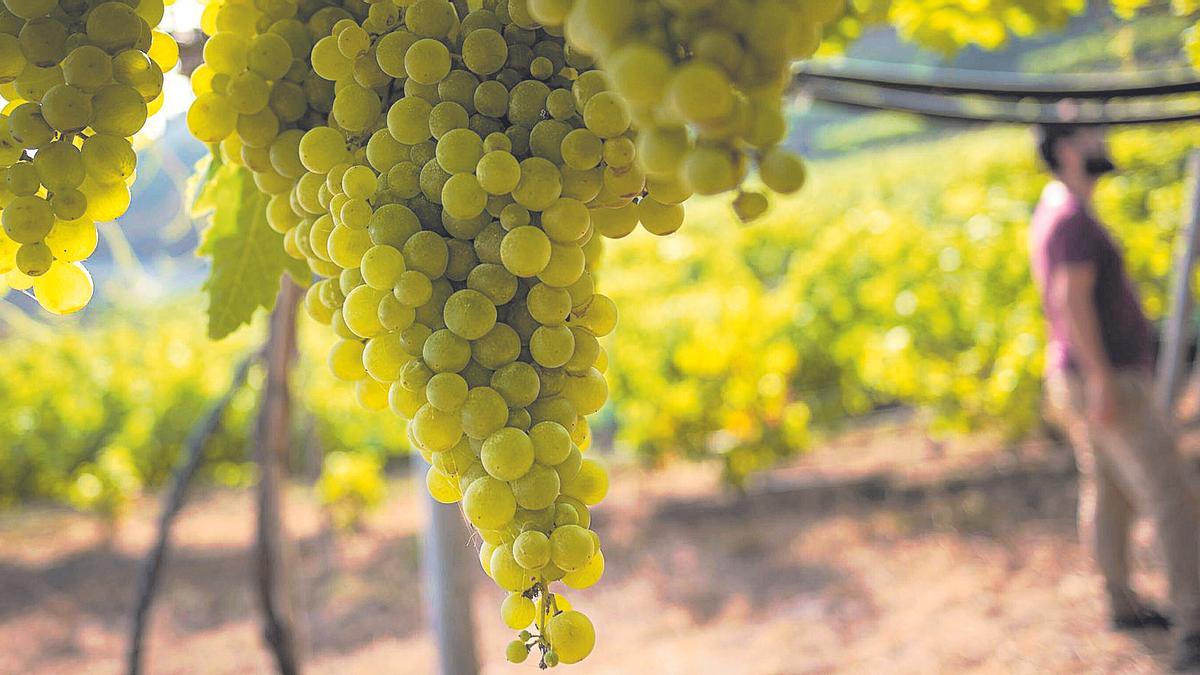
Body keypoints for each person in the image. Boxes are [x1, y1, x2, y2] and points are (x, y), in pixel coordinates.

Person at [1031, 123, 1200, 671]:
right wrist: (1102, 376)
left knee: (1108, 488)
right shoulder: (1073, 220)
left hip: (1079, 376)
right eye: (1090, 133)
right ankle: (1196, 626)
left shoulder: (1053, 209)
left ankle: (1121, 601)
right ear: (1066, 150)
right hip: (1105, 378)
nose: (1102, 138)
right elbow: (1071, 298)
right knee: (1171, 497)